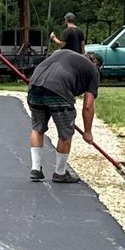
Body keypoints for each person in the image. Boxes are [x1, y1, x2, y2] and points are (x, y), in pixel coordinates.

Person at [27, 49, 100, 184]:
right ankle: (60, 173)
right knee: (65, 133)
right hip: (58, 92)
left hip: (34, 87)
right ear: (97, 64)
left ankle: (35, 169)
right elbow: (88, 106)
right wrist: (88, 131)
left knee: (37, 129)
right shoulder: (93, 70)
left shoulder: (63, 54)